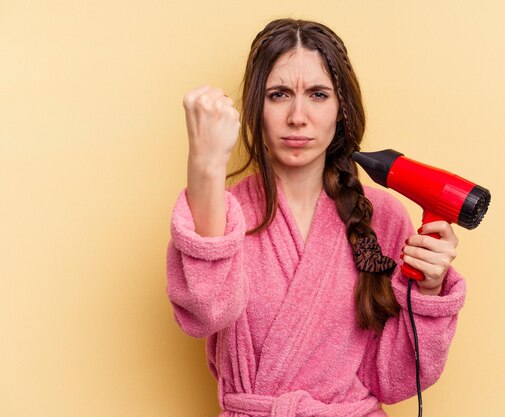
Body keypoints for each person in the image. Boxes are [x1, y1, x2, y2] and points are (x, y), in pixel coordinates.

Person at [166, 18, 466, 417]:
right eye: (279, 94)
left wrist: (428, 291)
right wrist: (204, 165)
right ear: (256, 107)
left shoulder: (384, 218)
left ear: (341, 109)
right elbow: (205, 314)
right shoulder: (225, 212)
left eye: (318, 95)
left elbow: (394, 380)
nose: (297, 116)